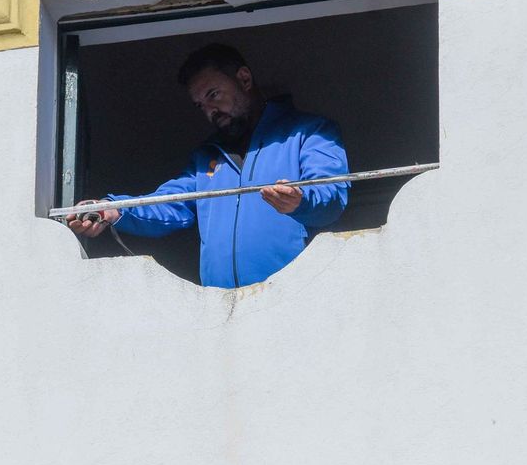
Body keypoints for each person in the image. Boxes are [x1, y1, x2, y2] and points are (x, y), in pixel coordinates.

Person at [66, 44, 349, 288]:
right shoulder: (207, 158)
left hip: (297, 298)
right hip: (222, 312)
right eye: (200, 105)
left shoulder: (309, 132)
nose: (210, 110)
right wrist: (114, 209)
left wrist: (300, 202)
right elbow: (171, 203)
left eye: (213, 94)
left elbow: (332, 197)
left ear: (244, 79)